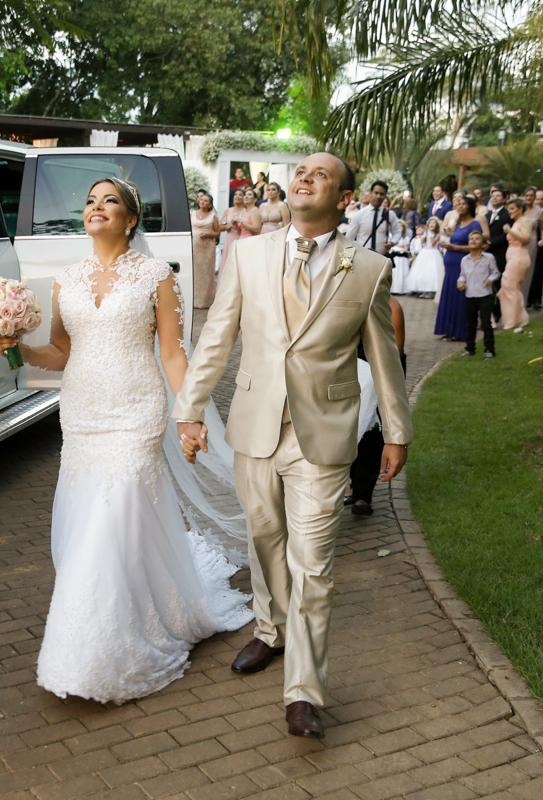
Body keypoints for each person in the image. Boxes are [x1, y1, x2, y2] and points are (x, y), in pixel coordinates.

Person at [173, 152, 412, 739]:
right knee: (264, 538)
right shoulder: (248, 254)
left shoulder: (370, 269)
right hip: (255, 422)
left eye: (321, 175)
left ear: (344, 199)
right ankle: (269, 631)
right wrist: (190, 409)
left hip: (324, 433)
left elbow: (384, 358)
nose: (305, 178)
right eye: (301, 171)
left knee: (314, 562)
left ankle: (304, 690)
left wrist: (397, 430)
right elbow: (217, 337)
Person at [0, 177, 253, 704]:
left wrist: (190, 412)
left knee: (115, 513)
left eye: (109, 201)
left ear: (131, 219)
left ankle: (98, 651)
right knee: (93, 518)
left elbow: (175, 354)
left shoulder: (156, 275)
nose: (96, 207)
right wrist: (16, 349)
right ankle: (113, 620)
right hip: (83, 410)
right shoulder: (66, 279)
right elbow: (62, 352)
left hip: (137, 408)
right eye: (90, 200)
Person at [345, 297, 407, 516]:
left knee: (371, 435)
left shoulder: (391, 306)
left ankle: (363, 494)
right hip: (348, 371)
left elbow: (395, 354)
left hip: (378, 373)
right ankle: (351, 486)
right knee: (348, 429)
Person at [435, 195, 484, 341]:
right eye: (459, 204)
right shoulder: (459, 223)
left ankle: (458, 331)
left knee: (459, 297)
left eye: (463, 204)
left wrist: (453, 247)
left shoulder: (474, 224)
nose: (460, 206)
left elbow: (475, 246)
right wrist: (450, 238)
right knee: (449, 296)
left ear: (470, 206)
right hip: (450, 266)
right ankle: (447, 329)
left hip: (462, 265)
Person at [457, 230, 500, 358]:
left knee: (486, 322)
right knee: (471, 322)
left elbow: (496, 272)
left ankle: (489, 349)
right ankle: (470, 349)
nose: (473, 241)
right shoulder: (465, 260)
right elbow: (463, 275)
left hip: (485, 294)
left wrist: (490, 279)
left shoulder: (489, 258)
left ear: (483, 244)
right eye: (471, 239)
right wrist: (460, 282)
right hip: (470, 294)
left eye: (477, 239)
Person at [499, 197, 533, 332]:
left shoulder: (524, 221)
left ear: (520, 209)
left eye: (512, 209)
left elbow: (526, 239)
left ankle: (513, 321)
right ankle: (517, 318)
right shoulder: (517, 222)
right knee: (508, 286)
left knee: (510, 286)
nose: (510, 211)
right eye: (509, 209)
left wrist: (510, 232)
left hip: (519, 256)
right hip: (512, 256)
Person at [346, 180, 401, 255]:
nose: (378, 196)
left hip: (382, 259)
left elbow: (397, 232)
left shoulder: (390, 214)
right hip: (362, 257)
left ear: (385, 196)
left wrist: (392, 242)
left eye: (382, 194)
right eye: (376, 193)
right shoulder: (359, 214)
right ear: (371, 194)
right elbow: (349, 237)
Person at [192, 193, 222, 308]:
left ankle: (206, 301)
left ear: (210, 204)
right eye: (201, 199)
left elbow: (218, 233)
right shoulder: (192, 214)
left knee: (206, 274)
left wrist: (208, 235)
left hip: (207, 247)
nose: (202, 202)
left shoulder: (213, 216)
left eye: (205, 201)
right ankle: (194, 300)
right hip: (195, 245)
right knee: (195, 271)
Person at [486, 188, 511, 325]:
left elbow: (506, 234)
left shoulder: (507, 214)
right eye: (492, 196)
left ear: (504, 198)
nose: (494, 198)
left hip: (499, 253)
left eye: (497, 196)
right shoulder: (487, 214)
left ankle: (497, 313)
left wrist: (491, 242)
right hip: (485, 253)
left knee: (497, 283)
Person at [526, 189, 543, 309]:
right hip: (521, 245)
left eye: (541, 199)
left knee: (537, 272)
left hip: (538, 246)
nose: (538, 201)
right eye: (537, 198)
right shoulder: (520, 209)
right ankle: (526, 298)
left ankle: (536, 299)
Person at [407, 219, 445, 297]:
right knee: (423, 271)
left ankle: (432, 291)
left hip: (433, 252)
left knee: (432, 271)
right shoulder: (426, 233)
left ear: (436, 225)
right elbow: (422, 242)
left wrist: (430, 234)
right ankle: (424, 290)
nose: (432, 224)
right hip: (424, 252)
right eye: (430, 223)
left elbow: (434, 241)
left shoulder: (437, 234)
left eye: (433, 223)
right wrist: (425, 234)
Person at [220, 189, 250, 272]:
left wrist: (237, 226)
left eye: (240, 195)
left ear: (244, 197)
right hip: (229, 239)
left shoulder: (246, 211)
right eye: (236, 194)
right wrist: (227, 227)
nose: (237, 196)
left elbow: (246, 229)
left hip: (240, 238)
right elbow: (220, 227)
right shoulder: (228, 210)